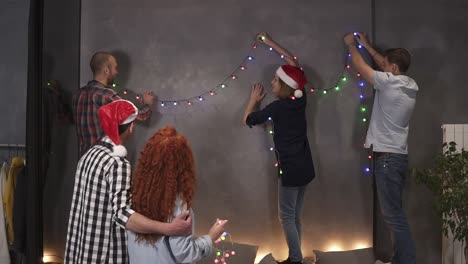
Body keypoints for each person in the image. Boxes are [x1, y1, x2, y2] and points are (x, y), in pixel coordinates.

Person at [65, 100, 192, 264]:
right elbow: (123, 215)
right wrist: (167, 228)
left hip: (82, 251)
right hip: (105, 255)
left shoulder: (89, 154)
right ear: (131, 126)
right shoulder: (117, 163)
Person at [344, 32, 418, 264]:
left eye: (386, 65)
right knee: (395, 215)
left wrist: (351, 47)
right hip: (396, 157)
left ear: (393, 68)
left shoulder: (389, 83)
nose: (382, 66)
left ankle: (406, 261)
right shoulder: (408, 84)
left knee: (394, 217)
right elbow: (382, 66)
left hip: (386, 159)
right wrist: (367, 45)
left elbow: (360, 66)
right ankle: (399, 260)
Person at [242, 32, 315, 264]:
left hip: (291, 170)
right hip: (306, 167)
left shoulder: (277, 108)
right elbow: (294, 65)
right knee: (295, 217)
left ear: (284, 86)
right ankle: (297, 257)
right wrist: (270, 42)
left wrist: (253, 99)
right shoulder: (300, 99)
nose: (271, 82)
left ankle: (294, 260)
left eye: (275, 80)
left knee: (286, 217)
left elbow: (247, 119)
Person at [127, 126, 228, 264]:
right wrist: (211, 237)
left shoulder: (135, 192)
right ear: (183, 164)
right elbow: (185, 254)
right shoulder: (177, 204)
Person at [73, 51, 155, 156]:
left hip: (84, 159)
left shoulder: (77, 94)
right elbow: (137, 115)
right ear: (106, 70)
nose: (117, 72)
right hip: (103, 160)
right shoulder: (106, 95)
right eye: (115, 68)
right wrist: (147, 103)